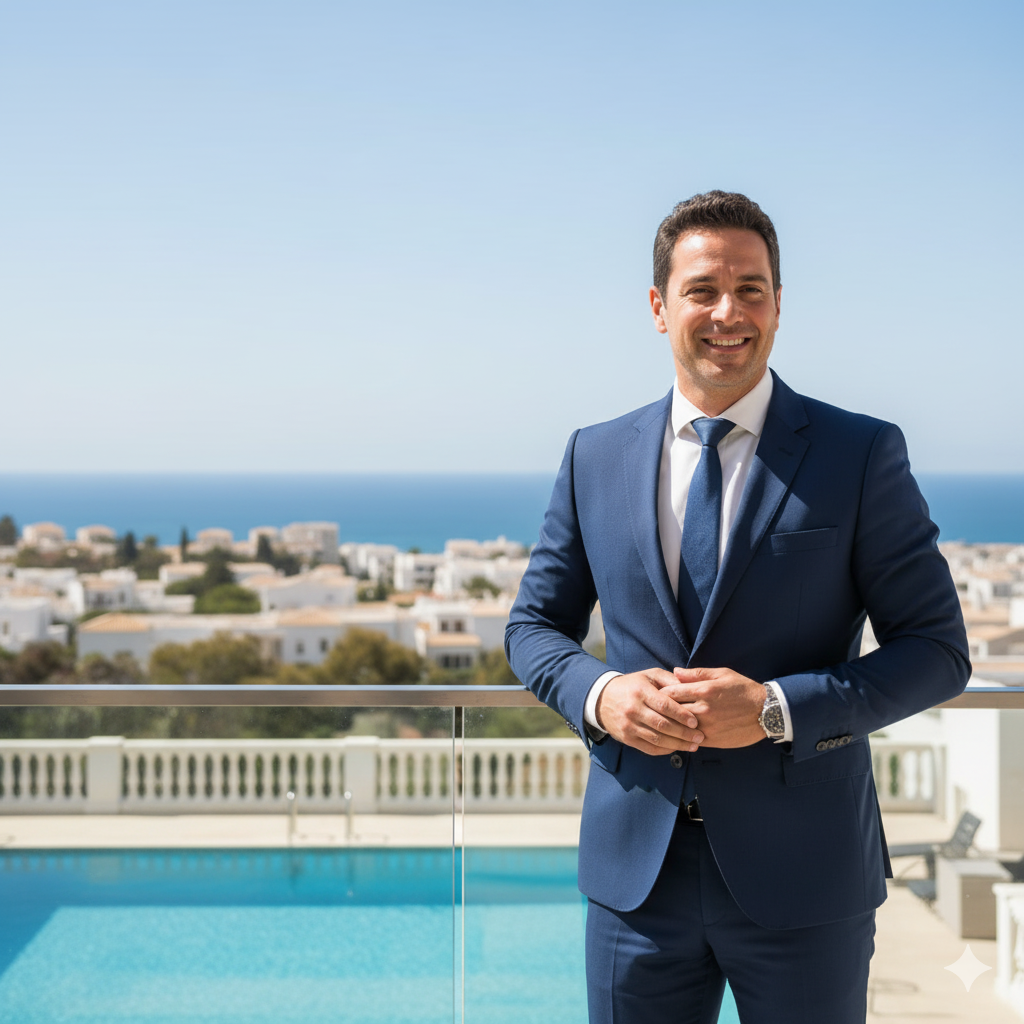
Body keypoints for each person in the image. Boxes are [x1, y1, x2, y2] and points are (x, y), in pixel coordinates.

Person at [504, 190, 970, 1024]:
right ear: (658, 307)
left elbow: (936, 649)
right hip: (633, 881)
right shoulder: (594, 455)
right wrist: (602, 694)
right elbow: (533, 628)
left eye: (752, 289)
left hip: (807, 881)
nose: (729, 312)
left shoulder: (860, 454)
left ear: (781, 306)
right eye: (702, 290)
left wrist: (774, 709)